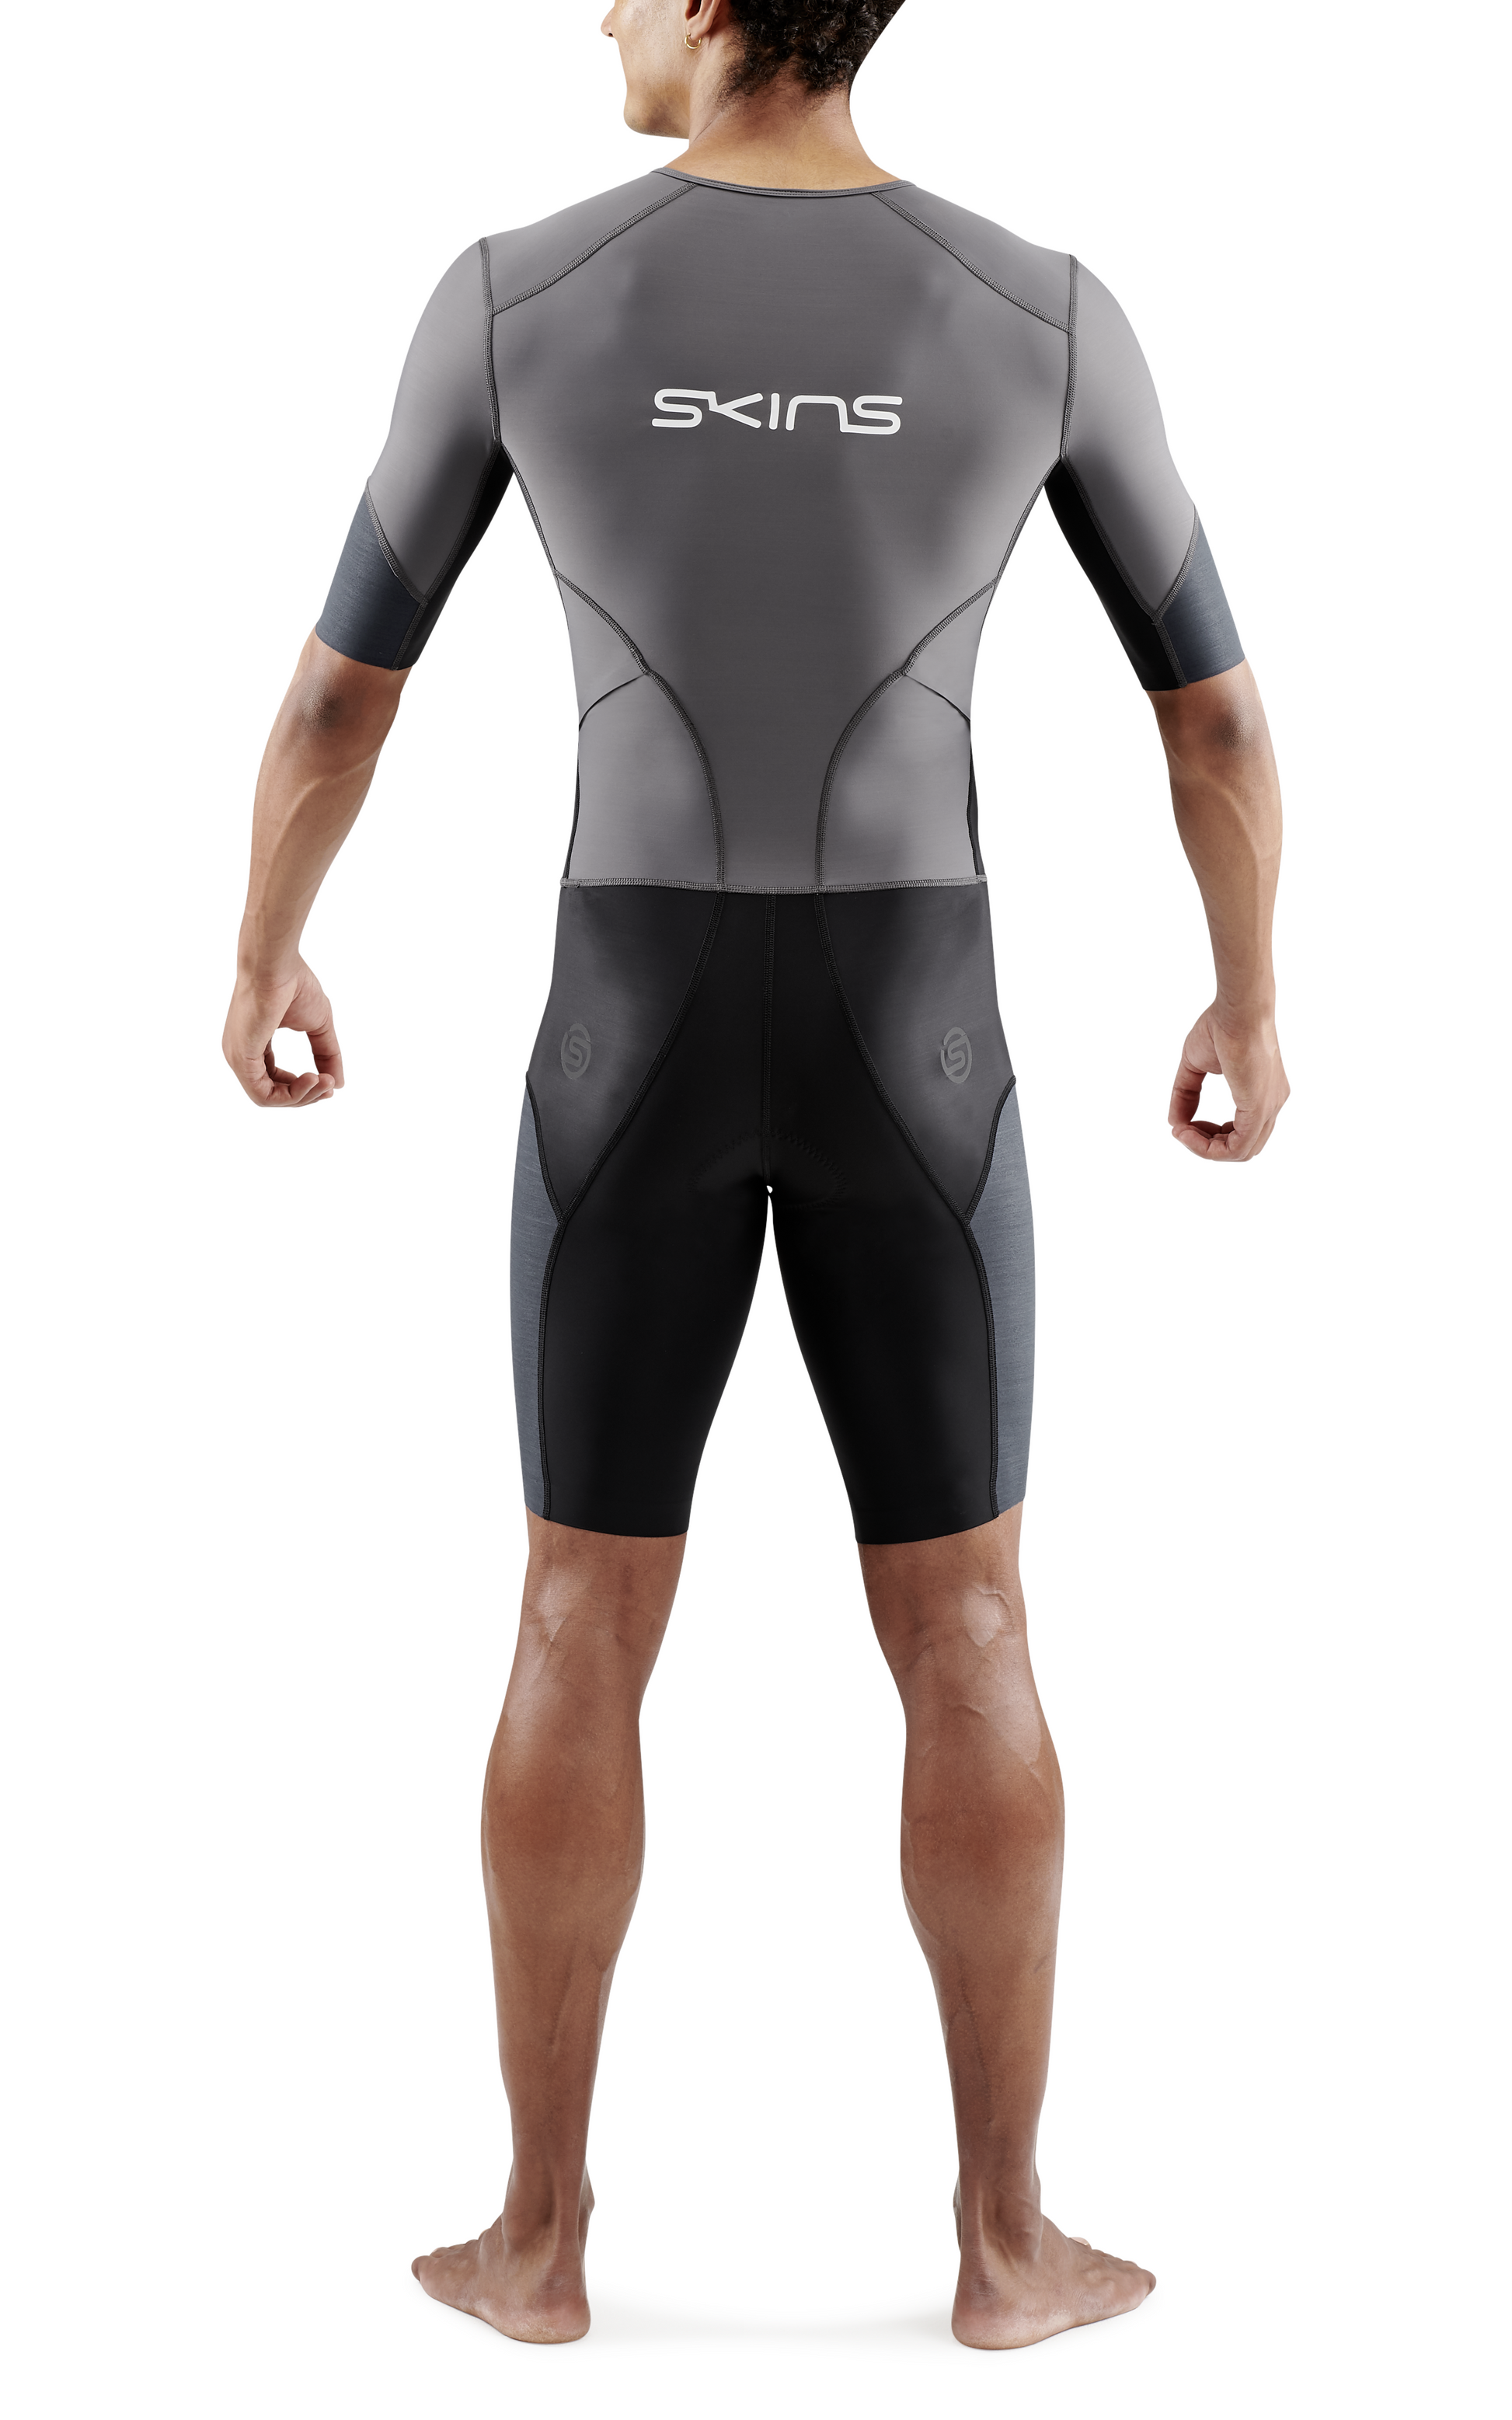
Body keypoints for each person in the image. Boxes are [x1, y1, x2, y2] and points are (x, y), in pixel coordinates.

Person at [222, 0, 1288, 2354]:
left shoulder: (513, 294)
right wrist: (1246, 994)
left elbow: (333, 699)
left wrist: (266, 946)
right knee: (973, 1626)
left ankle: (537, 2243)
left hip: (631, 1020)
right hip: (923, 1025)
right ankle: (1006, 2247)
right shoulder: (1040, 310)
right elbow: (1212, 713)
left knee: (573, 1616)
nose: (596, 11)